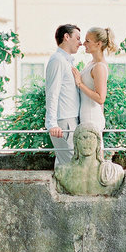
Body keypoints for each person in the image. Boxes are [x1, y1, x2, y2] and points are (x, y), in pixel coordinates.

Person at [45, 24, 82, 167]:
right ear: (66, 37)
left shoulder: (66, 61)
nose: (80, 43)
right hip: (63, 122)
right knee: (73, 167)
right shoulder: (57, 60)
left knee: (64, 166)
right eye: (77, 38)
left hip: (71, 120)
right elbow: (52, 93)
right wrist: (52, 124)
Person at [71, 27, 117, 142]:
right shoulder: (92, 63)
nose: (83, 44)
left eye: (87, 41)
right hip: (87, 115)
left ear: (98, 44)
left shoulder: (99, 67)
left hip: (91, 117)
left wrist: (80, 83)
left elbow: (101, 98)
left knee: (93, 154)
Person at [53, 124, 125, 196]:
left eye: (91, 138)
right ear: (76, 143)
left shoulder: (112, 172)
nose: (87, 141)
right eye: (83, 138)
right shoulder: (62, 171)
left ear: (98, 143)